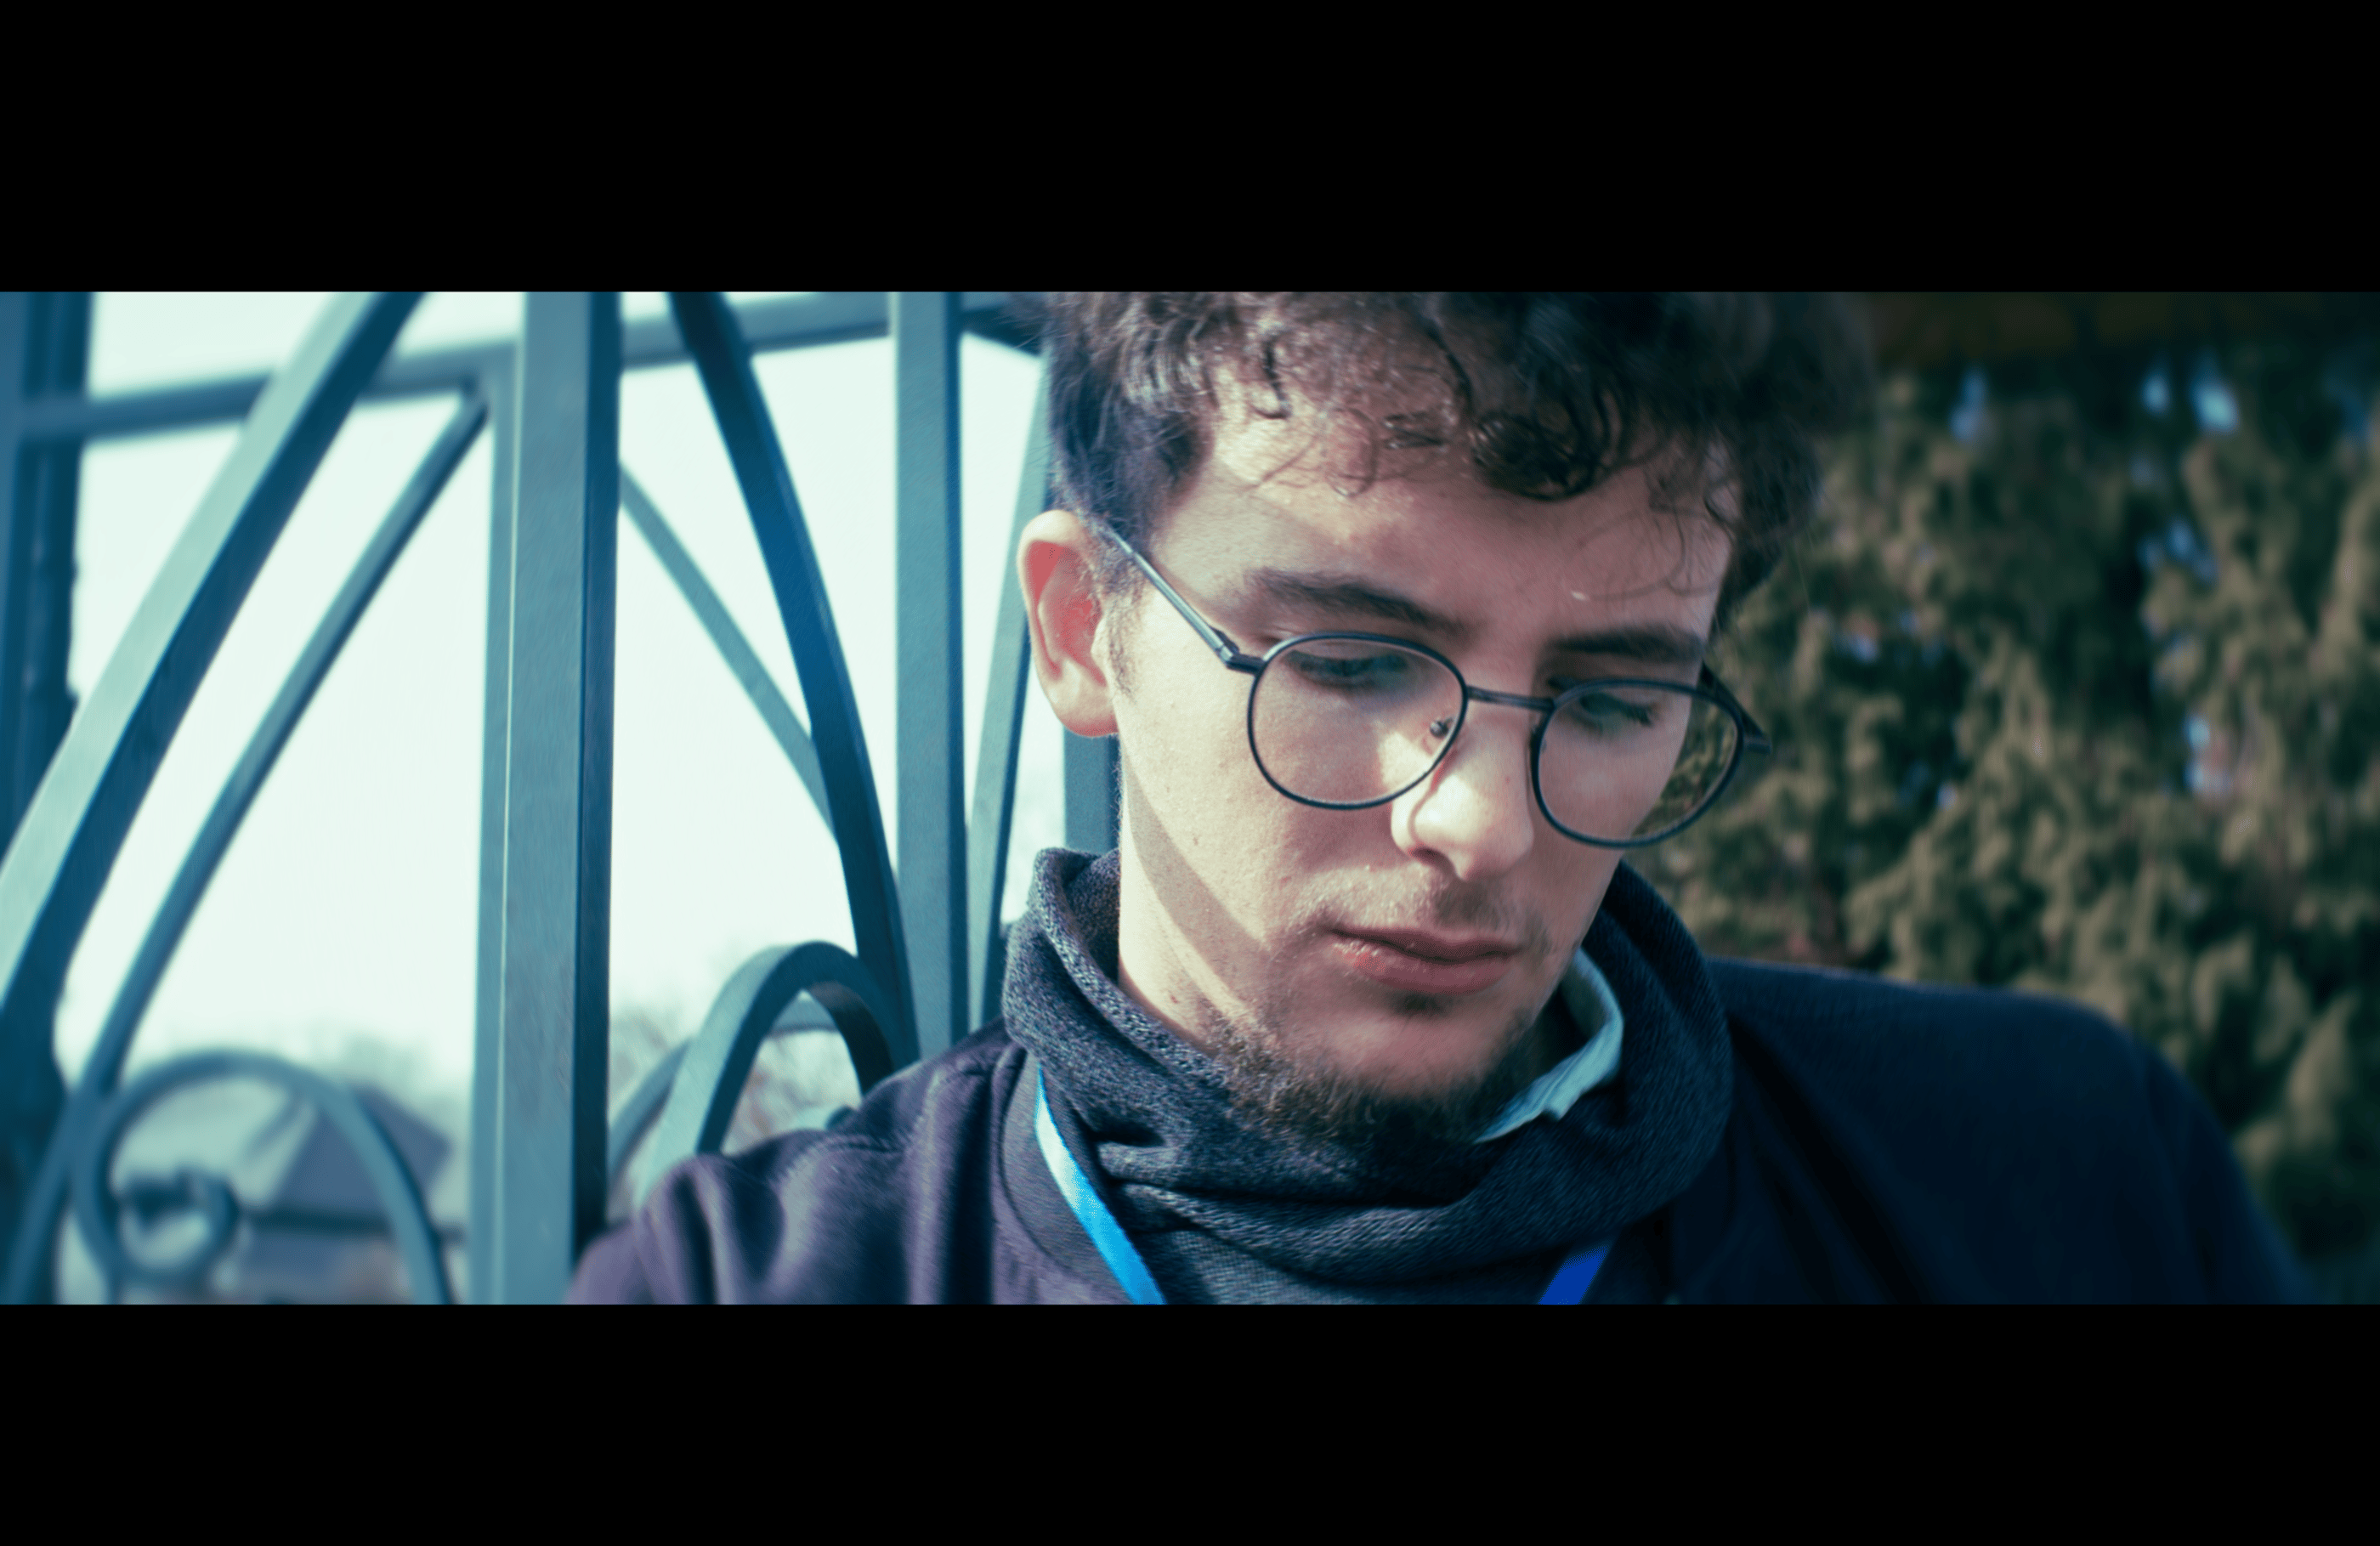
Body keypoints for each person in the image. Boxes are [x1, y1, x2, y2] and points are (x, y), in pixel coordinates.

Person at [571, 293, 2309, 1304]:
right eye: (1346, 663)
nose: (1480, 824)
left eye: (1613, 696)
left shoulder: (2065, 1197)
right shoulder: (743, 1281)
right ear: (1085, 628)